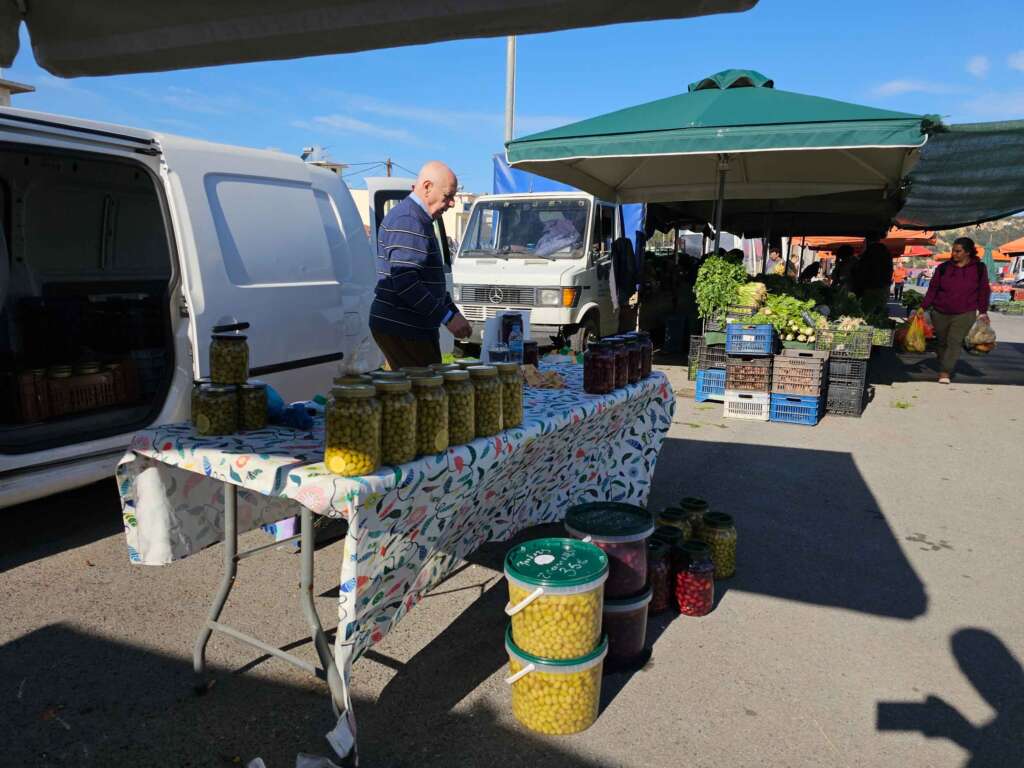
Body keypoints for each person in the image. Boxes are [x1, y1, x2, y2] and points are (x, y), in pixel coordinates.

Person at [370, 161, 471, 369]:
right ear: (427, 187)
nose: (452, 203)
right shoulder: (408, 220)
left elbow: (428, 279)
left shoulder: (417, 219)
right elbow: (407, 283)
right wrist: (447, 317)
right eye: (448, 196)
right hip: (404, 328)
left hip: (407, 327)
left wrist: (452, 310)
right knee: (425, 393)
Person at [922, 237, 991, 384]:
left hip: (965, 312)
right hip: (940, 311)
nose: (954, 254)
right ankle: (944, 363)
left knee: (955, 341)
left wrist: (983, 311)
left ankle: (945, 372)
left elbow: (983, 290)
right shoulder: (943, 268)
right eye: (953, 250)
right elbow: (933, 289)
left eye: (958, 251)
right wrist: (923, 307)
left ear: (968, 252)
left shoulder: (979, 268)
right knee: (941, 342)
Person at [853, 240, 893, 317]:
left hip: (871, 289)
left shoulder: (869, 254)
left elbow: (862, 271)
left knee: (866, 314)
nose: (861, 247)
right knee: (878, 313)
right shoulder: (886, 253)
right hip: (883, 288)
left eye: (863, 245)